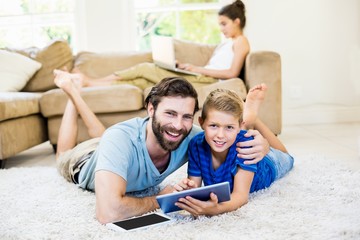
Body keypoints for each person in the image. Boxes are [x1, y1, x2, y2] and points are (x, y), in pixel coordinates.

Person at [53, 70, 269, 224]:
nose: (177, 125)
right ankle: (72, 94)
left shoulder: (192, 136)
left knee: (105, 136)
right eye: (170, 113)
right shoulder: (118, 139)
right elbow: (108, 213)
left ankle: (76, 96)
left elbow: (226, 135)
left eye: (186, 116)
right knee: (66, 152)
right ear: (150, 109)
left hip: (112, 143)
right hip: (82, 161)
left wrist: (263, 145)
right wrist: (161, 199)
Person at [65, 0, 250, 90]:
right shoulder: (226, 43)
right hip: (199, 75)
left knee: (145, 68)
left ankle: (90, 81)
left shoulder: (241, 42)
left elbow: (232, 73)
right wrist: (187, 68)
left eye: (224, 24)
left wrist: (198, 68)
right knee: (141, 81)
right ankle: (90, 85)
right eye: (219, 24)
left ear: (237, 21)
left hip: (207, 80)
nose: (221, 29)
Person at [173, 85, 294, 217]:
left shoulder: (245, 146)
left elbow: (241, 196)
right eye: (214, 126)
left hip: (269, 165)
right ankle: (248, 119)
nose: (220, 135)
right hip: (239, 137)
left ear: (239, 128)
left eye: (229, 127)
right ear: (201, 122)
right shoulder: (196, 145)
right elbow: (194, 186)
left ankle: (252, 119)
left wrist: (216, 209)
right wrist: (188, 190)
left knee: (287, 157)